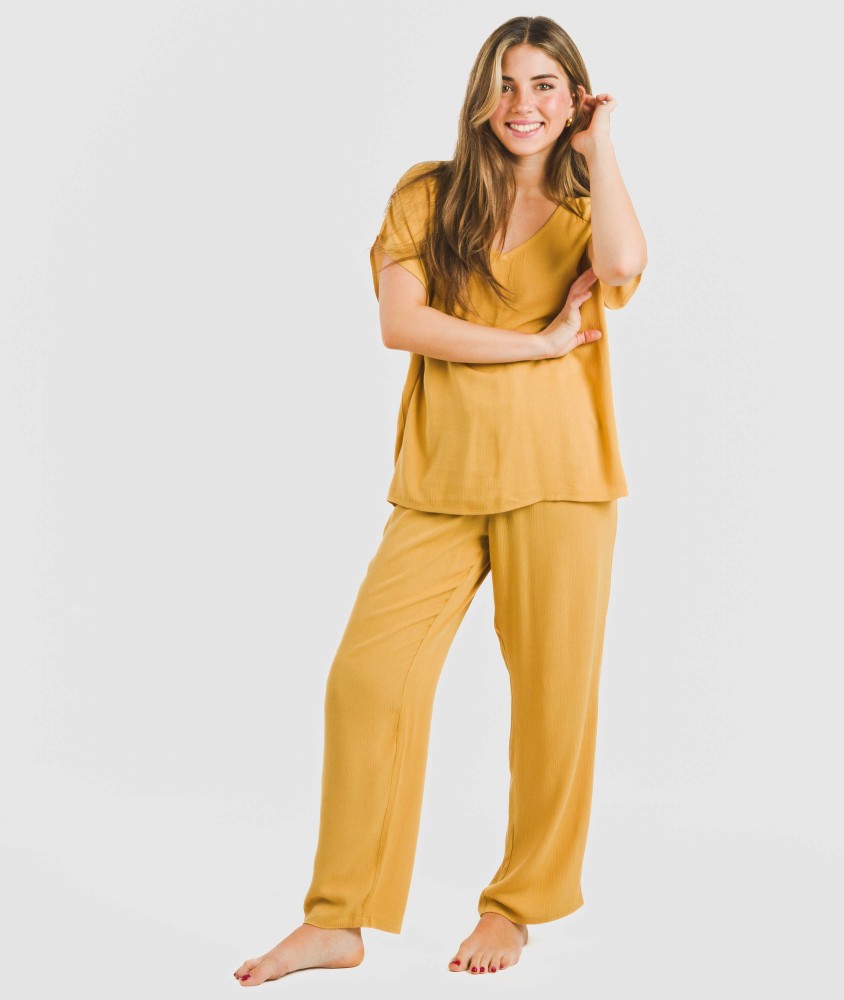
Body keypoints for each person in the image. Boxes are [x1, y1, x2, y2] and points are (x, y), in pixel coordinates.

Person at [232, 14, 646, 985]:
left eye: (544, 85)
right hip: (442, 482)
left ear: (573, 99)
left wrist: (603, 148)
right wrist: (540, 344)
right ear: (479, 96)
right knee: (367, 681)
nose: (522, 104)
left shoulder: (589, 205)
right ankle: (337, 919)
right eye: (506, 83)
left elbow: (625, 267)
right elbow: (402, 322)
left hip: (563, 479)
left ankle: (516, 906)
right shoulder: (429, 194)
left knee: (553, 703)